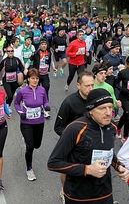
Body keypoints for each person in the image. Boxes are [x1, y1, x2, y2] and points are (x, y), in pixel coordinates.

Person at [48, 89, 129, 204]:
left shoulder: (111, 127)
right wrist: (87, 169)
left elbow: (108, 152)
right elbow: (53, 163)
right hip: (78, 196)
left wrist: (120, 167)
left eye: (110, 107)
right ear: (90, 110)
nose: (108, 113)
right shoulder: (75, 129)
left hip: (105, 194)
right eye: (102, 108)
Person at [54, 71, 94, 203]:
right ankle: (65, 190)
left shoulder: (94, 100)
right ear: (78, 85)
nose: (90, 89)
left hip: (90, 144)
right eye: (87, 86)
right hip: (72, 144)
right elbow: (58, 127)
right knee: (68, 171)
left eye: (92, 85)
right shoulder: (69, 102)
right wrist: (73, 138)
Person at [14, 68, 51, 181]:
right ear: (28, 79)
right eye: (32, 78)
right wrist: (21, 113)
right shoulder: (22, 91)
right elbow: (16, 103)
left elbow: (45, 101)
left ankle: (28, 139)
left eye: (36, 78)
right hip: (26, 122)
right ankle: (29, 169)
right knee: (30, 146)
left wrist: (47, 106)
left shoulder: (42, 90)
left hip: (39, 122)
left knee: (37, 145)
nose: (35, 81)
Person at [0, 45, 27, 113]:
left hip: (14, 81)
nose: (10, 52)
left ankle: (8, 105)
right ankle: (6, 104)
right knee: (9, 94)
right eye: (9, 51)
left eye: (12, 51)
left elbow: (22, 68)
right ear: (6, 52)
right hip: (6, 81)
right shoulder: (4, 61)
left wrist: (24, 72)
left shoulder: (16, 60)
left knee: (11, 95)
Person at [29, 39, 55, 118]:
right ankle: (35, 106)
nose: (44, 46)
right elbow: (29, 61)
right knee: (35, 90)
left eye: (45, 44)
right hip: (37, 75)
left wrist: (54, 68)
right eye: (42, 44)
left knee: (46, 89)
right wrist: (26, 68)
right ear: (40, 45)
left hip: (45, 74)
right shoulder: (36, 53)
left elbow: (51, 61)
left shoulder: (49, 52)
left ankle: (45, 109)